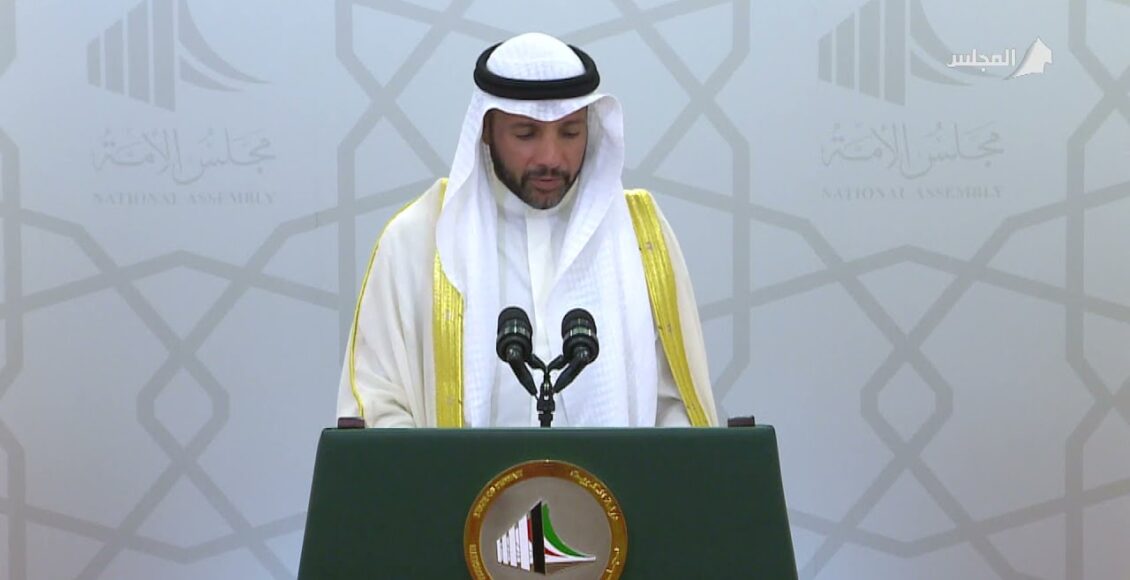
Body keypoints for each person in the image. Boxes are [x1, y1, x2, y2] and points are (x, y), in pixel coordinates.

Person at [336, 32, 719, 428]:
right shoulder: (417, 240)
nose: (551, 157)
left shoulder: (642, 236)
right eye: (526, 134)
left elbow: (675, 406)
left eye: (570, 132)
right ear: (486, 129)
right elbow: (379, 403)